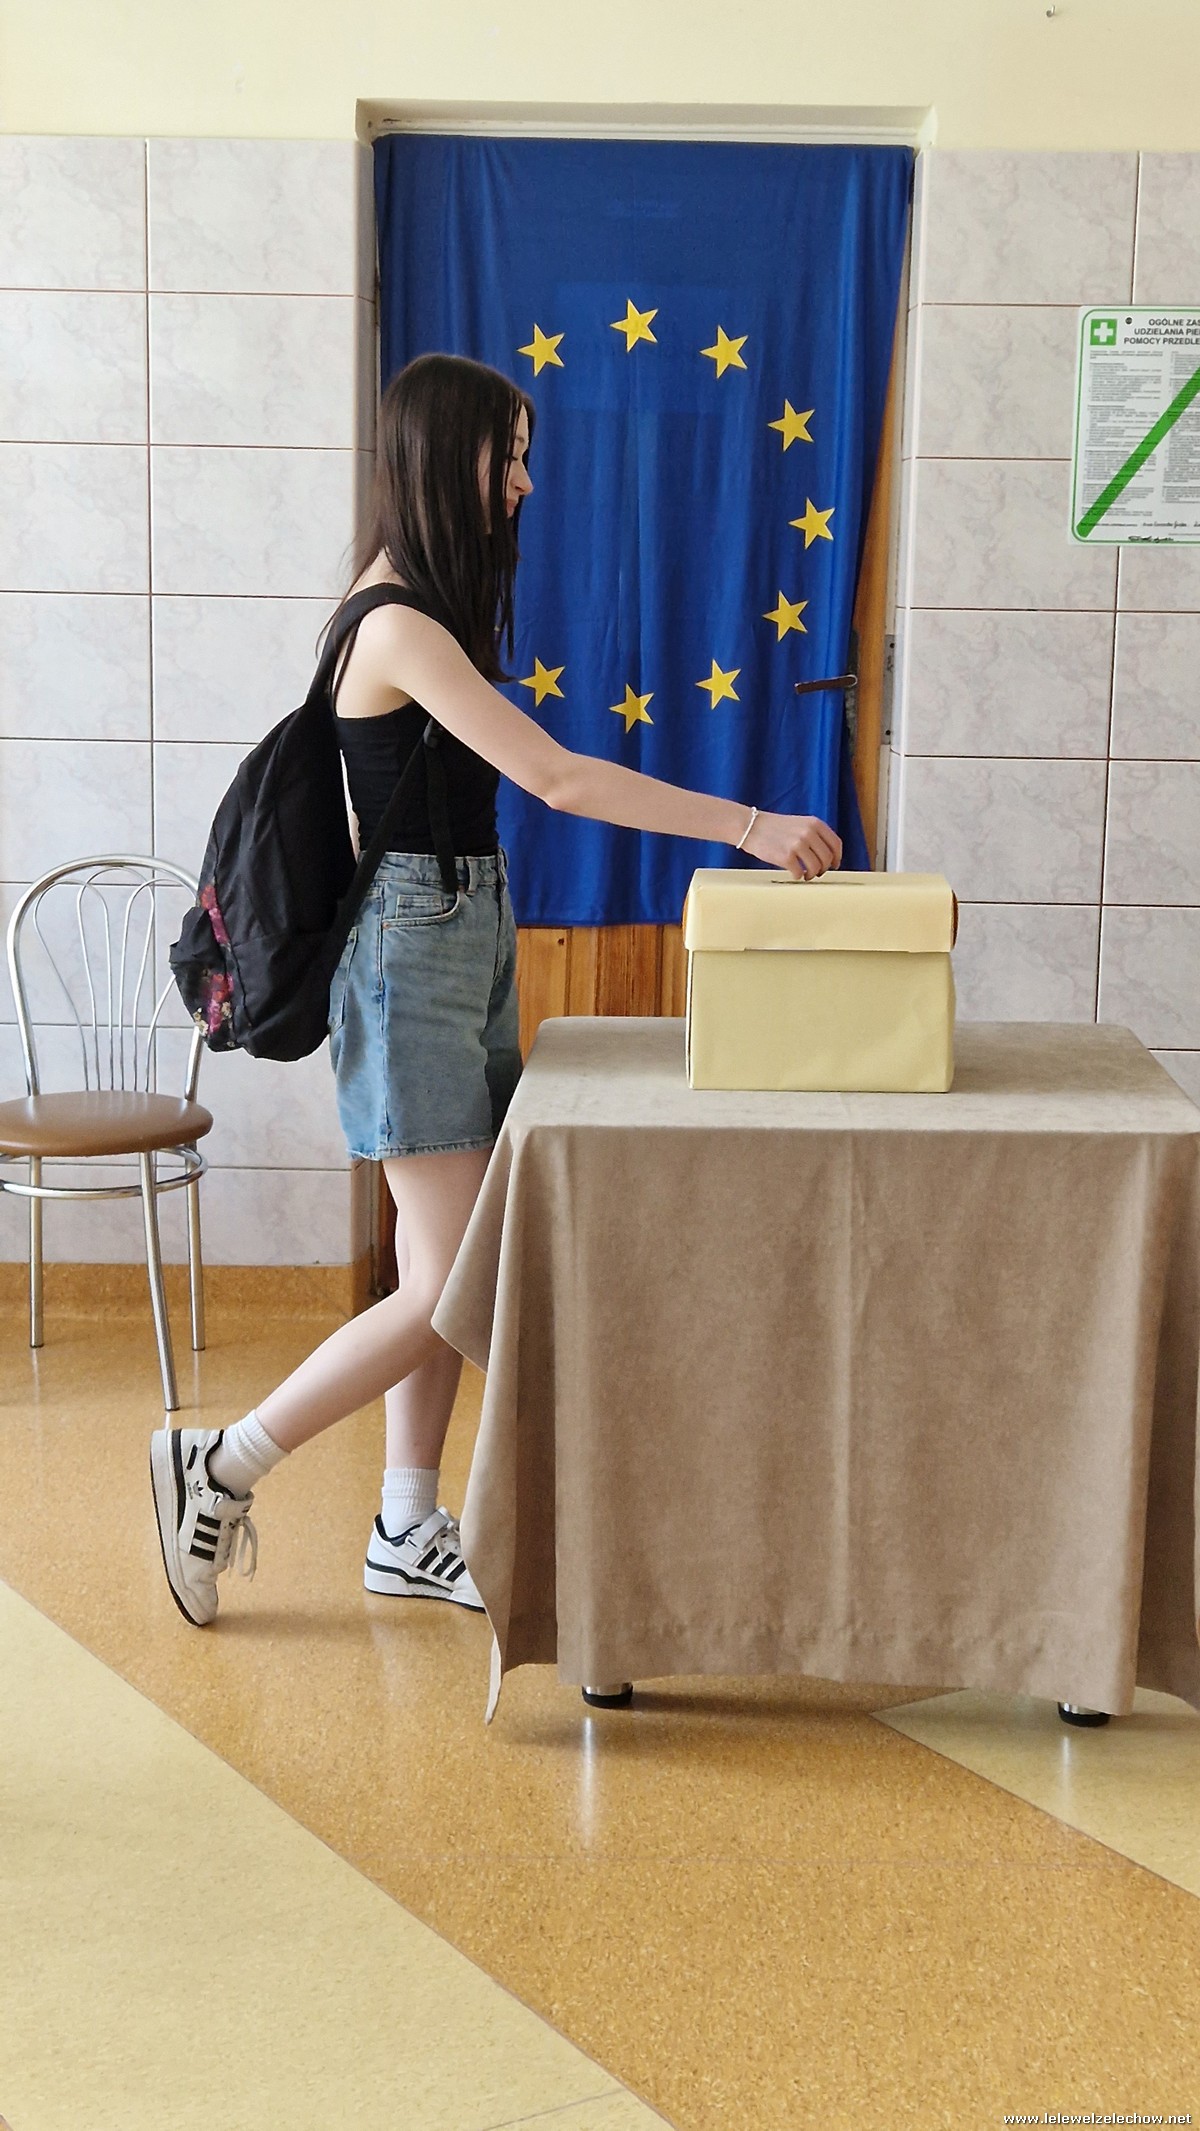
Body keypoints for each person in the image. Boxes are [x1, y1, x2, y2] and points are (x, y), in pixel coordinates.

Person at [150, 351, 843, 1629]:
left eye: (525, 458)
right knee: (449, 1279)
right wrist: (748, 823)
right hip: (409, 956)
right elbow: (557, 777)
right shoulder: (395, 621)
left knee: (444, 1264)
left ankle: (404, 1520)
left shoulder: (425, 608)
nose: (523, 483)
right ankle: (226, 1461)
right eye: (506, 457)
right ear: (441, 456)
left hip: (460, 932)